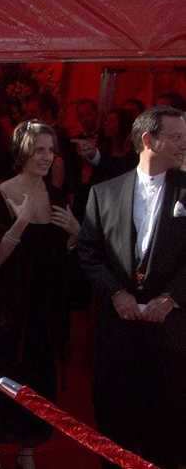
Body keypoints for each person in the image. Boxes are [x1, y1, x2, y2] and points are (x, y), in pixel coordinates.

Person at [78, 106, 186, 469]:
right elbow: (89, 253)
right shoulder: (104, 193)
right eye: (176, 137)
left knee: (168, 433)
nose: (183, 144)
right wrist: (115, 293)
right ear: (148, 140)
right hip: (117, 335)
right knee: (116, 428)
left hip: (171, 338)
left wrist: (172, 297)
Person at [0, 120, 79, 469]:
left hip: (43, 306)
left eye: (51, 150)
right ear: (22, 151)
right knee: (3, 369)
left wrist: (75, 235)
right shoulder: (1, 192)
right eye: (39, 150)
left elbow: (61, 258)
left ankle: (27, 445)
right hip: (7, 305)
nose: (47, 157)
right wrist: (19, 223)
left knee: (37, 374)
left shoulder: (57, 195)